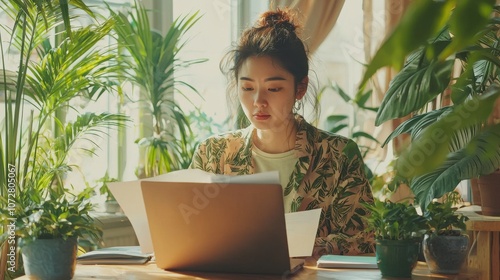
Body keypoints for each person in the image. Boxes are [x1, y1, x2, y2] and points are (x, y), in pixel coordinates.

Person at [190, 8, 374, 257]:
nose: (258, 101)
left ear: (300, 88)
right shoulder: (213, 153)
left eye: (274, 88)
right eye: (247, 87)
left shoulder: (337, 155)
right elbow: (190, 229)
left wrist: (300, 245)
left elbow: (365, 238)